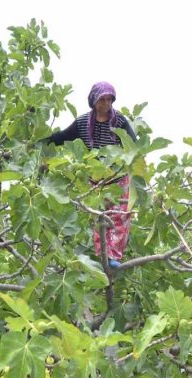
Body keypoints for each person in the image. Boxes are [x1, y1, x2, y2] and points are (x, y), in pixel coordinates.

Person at [44, 81, 137, 269]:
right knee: (100, 216)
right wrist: (42, 141)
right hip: (95, 178)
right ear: (94, 101)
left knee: (120, 216)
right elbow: (62, 137)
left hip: (116, 176)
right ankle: (103, 254)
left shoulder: (119, 121)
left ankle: (115, 256)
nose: (106, 104)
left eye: (110, 100)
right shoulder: (82, 123)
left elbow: (132, 144)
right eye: (102, 100)